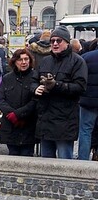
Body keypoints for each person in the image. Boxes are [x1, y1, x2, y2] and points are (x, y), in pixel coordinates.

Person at [34, 27, 87, 159]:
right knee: (46, 163)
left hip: (65, 120)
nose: (55, 43)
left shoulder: (77, 61)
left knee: (65, 163)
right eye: (52, 41)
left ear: (67, 43)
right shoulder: (45, 61)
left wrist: (56, 85)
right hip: (45, 118)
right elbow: (33, 80)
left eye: (59, 40)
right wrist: (36, 88)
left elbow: (80, 87)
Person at [0, 48, 38, 156]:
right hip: (10, 126)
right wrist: (11, 114)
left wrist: (18, 114)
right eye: (20, 60)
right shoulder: (7, 78)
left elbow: (35, 101)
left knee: (27, 155)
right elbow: (1, 99)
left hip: (28, 125)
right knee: (12, 155)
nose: (23, 62)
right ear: (15, 61)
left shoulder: (35, 76)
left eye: (26, 59)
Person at [78, 44, 98, 160]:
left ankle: (83, 159)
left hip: (88, 101)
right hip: (88, 100)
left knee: (85, 131)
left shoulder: (86, 57)